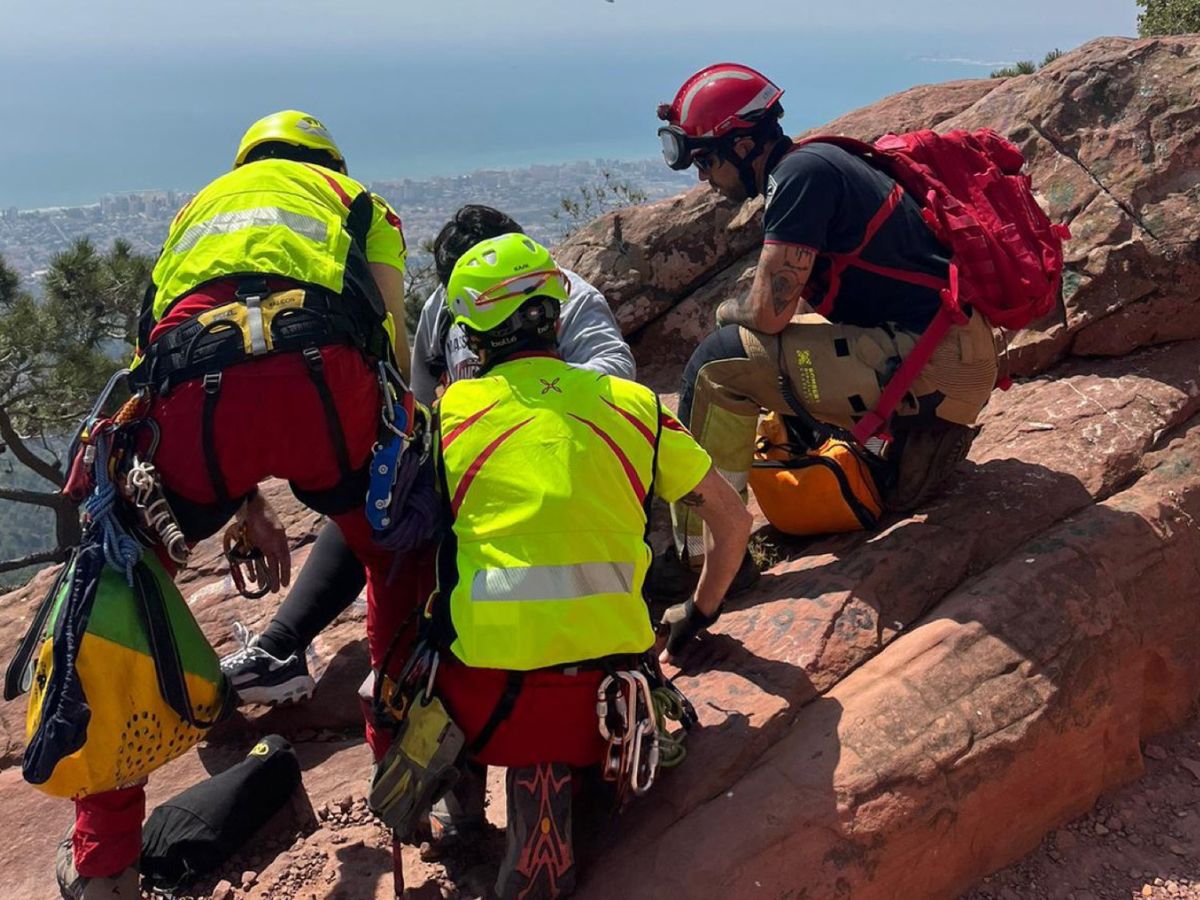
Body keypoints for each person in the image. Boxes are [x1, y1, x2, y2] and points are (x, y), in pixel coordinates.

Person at [55, 110, 422, 900]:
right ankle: (408, 770)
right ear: (327, 159)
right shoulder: (357, 202)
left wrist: (238, 495)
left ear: (247, 159)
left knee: (116, 577)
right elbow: (390, 341)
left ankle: (105, 858)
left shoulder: (198, 210)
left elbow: (156, 351)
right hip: (328, 387)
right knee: (394, 551)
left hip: (196, 400)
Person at [421, 232, 750, 899]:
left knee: (427, 607)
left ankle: (458, 809)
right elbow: (733, 520)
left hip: (481, 706)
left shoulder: (447, 417)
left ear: (474, 340)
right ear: (555, 313)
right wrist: (700, 609)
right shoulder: (637, 410)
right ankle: (585, 791)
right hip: (605, 701)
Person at [219, 205, 635, 706]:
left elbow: (615, 375)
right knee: (378, 495)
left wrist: (516, 402)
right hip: (477, 459)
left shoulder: (563, 298)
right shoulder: (446, 305)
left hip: (557, 460)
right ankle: (280, 648)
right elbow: (413, 395)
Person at [650, 62, 998, 602]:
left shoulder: (798, 179)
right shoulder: (819, 161)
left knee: (718, 364)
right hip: (949, 348)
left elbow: (769, 314)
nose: (704, 178)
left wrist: (729, 313)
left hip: (933, 365)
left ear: (744, 146)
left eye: (707, 160)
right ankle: (872, 456)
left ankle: (702, 558)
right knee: (770, 348)